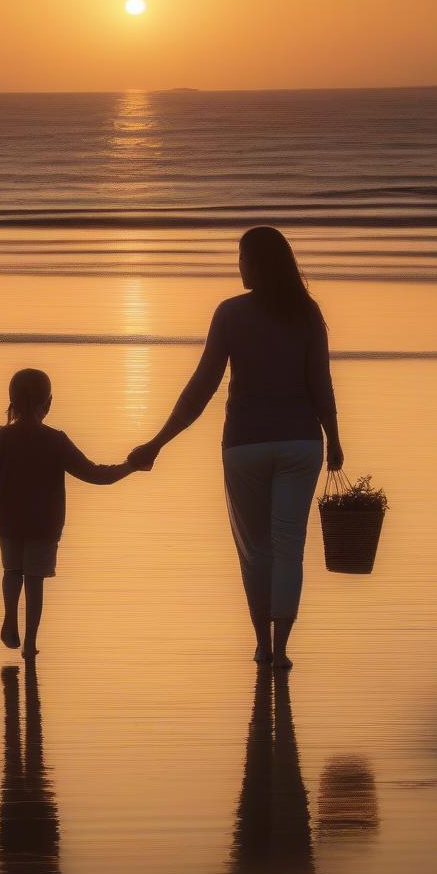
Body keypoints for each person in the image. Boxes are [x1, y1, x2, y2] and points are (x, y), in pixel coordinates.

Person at [129, 226, 343, 669]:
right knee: (289, 547)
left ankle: (262, 646)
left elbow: (201, 389)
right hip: (301, 442)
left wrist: (158, 442)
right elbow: (320, 385)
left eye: (243, 257)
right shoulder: (307, 313)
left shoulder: (230, 314)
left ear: (259, 264)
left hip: (245, 445)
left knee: (256, 550)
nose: (239, 266)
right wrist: (336, 438)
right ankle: (281, 648)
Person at [0, 368, 139, 658]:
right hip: (43, 524)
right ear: (48, 404)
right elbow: (95, 474)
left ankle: (10, 618)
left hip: (8, 521)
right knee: (34, 580)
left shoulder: (0, 439)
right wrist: (131, 466)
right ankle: (30, 643)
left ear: (11, 401)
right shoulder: (55, 440)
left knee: (12, 571)